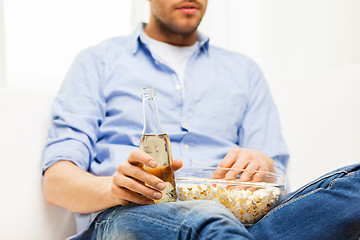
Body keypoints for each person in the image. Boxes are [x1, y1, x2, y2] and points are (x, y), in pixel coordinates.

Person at [42, 0, 360, 239]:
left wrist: (262, 162)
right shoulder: (97, 62)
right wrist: (115, 190)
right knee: (208, 219)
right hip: (130, 215)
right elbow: (56, 183)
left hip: (241, 217)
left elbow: (278, 184)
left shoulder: (244, 71)